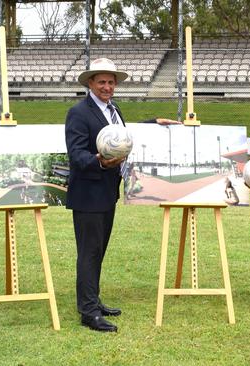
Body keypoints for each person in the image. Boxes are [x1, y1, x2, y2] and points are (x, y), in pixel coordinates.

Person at [65, 58, 179, 332]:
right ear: (90, 83)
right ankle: (88, 312)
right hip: (88, 195)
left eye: (111, 82)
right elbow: (77, 154)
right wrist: (101, 162)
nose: (107, 86)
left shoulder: (113, 110)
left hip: (106, 194)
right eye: (102, 81)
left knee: (98, 251)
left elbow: (120, 137)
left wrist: (153, 123)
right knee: (89, 253)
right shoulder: (79, 113)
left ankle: (93, 299)